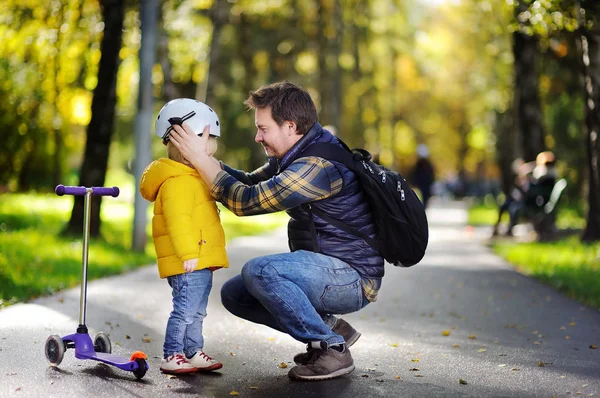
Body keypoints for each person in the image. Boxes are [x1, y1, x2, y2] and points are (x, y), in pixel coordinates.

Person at [168, 81, 383, 381]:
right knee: (236, 295)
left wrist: (203, 161)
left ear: (290, 126)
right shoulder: (294, 154)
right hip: (326, 270)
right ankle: (330, 329)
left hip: (351, 279)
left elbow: (247, 201)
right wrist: (201, 158)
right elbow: (248, 182)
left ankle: (332, 349)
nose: (257, 137)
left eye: (263, 128)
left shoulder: (317, 165)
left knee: (261, 271)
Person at [139, 98, 228, 375]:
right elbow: (179, 223)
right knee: (185, 311)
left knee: (197, 312)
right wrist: (189, 253)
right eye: (207, 150)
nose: (210, 156)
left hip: (199, 260)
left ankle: (192, 350)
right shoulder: (177, 183)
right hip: (188, 261)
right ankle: (172, 354)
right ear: (184, 146)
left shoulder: (192, 177)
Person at [410, 144, 435, 208]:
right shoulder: (419, 165)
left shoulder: (427, 165)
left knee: (424, 201)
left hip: (425, 186)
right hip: (421, 186)